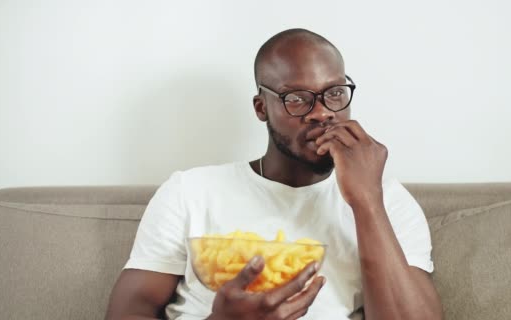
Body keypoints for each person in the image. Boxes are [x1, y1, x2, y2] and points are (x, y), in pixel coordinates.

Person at [105, 28, 443, 320]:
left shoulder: (389, 200)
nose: (322, 112)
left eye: (335, 93)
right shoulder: (189, 191)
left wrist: (366, 201)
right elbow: (126, 312)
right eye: (297, 99)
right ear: (261, 108)